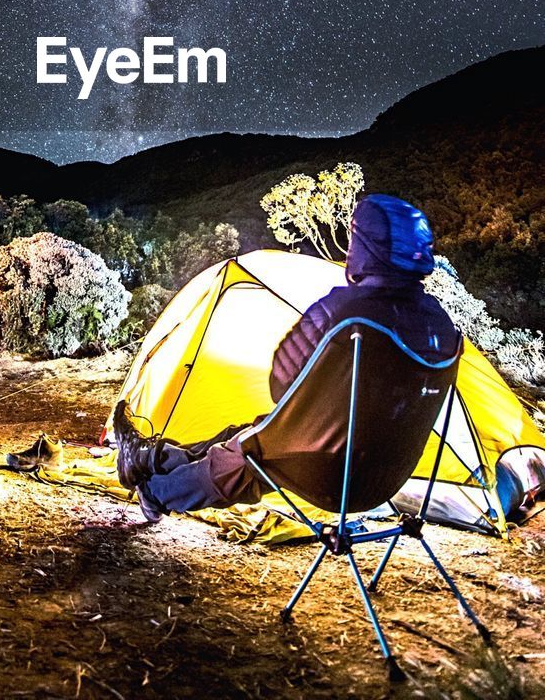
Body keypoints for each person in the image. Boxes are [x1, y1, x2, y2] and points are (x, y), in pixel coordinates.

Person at [113, 193, 460, 523]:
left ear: (368, 250)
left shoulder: (347, 315)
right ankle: (152, 456)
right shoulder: (441, 326)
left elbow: (283, 383)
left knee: (248, 454)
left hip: (328, 476)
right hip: (386, 478)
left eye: (355, 240)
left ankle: (155, 490)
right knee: (251, 435)